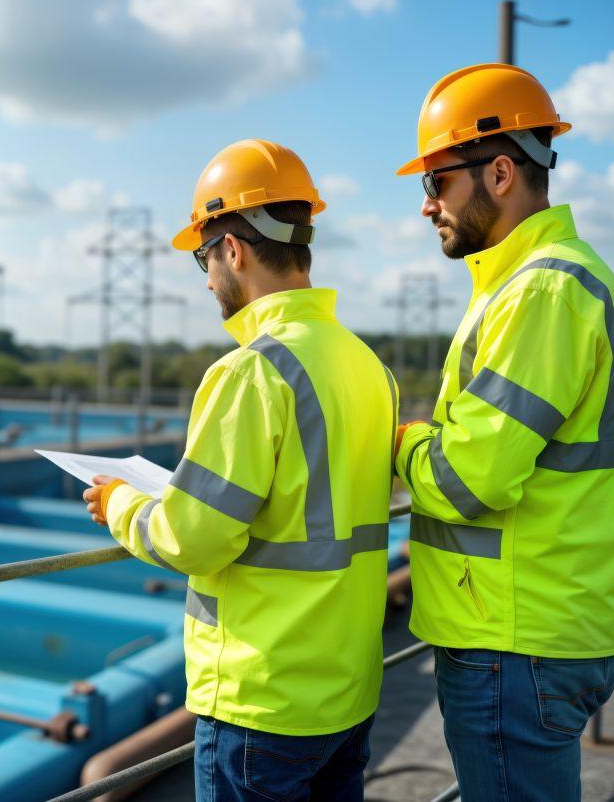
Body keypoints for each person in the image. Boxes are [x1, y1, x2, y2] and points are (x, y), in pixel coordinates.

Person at [82, 138, 397, 801]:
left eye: (202, 257)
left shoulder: (253, 370)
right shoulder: (365, 364)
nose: (204, 279)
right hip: (347, 690)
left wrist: (121, 506)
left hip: (264, 701)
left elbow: (195, 538)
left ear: (233, 248)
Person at [392, 64, 614, 801]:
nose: (426, 205)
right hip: (542, 623)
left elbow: (470, 478)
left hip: (515, 637)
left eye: (436, 183)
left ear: (499, 172)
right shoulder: (547, 281)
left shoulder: (541, 290)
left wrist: (399, 440)